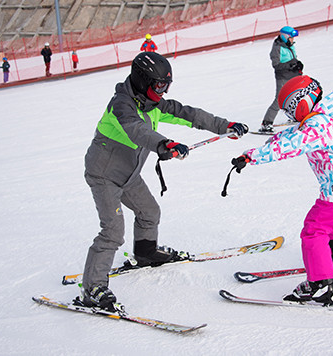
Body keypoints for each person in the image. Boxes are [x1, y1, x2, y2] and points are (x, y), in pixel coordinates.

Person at [80, 51, 248, 310]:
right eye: (159, 85)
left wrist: (225, 126)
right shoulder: (122, 105)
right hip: (104, 175)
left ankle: (146, 253)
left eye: (166, 85)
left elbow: (188, 114)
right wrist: (164, 144)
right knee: (112, 231)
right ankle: (93, 288)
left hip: (128, 174)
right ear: (142, 80)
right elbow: (138, 131)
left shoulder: (153, 103)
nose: (163, 91)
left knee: (149, 211)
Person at [231, 75, 333, 306]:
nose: (289, 116)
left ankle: (320, 285)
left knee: (314, 230)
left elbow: (294, 144)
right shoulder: (327, 115)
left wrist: (253, 157)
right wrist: (271, 141)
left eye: (290, 111)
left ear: (301, 102)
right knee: (331, 219)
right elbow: (295, 135)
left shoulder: (317, 126)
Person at [258, 26, 304, 134]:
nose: (293, 40)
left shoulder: (290, 45)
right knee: (279, 100)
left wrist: (297, 65)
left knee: (298, 95)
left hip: (293, 75)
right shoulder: (277, 47)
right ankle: (266, 123)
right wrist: (291, 65)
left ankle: (296, 115)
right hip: (283, 77)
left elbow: (292, 59)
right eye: (291, 38)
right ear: (285, 36)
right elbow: (276, 65)